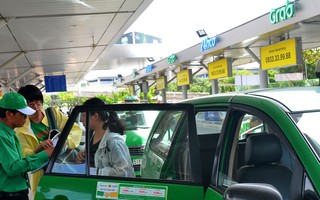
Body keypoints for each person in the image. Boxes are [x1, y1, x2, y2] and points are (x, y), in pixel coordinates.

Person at [15, 85, 82, 196]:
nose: (36, 108)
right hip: (41, 174)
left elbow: (75, 130)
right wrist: (39, 148)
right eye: (31, 105)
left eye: (38, 103)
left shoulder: (54, 115)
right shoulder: (20, 128)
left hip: (65, 168)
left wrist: (63, 142)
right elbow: (24, 154)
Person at [0, 92, 54, 200]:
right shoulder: (2, 136)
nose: (26, 118)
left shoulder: (9, 133)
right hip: (10, 195)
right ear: (9, 114)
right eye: (23, 115)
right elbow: (13, 168)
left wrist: (39, 149)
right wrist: (45, 154)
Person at [76, 97, 134, 177]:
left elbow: (123, 172)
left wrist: (96, 172)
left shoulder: (114, 142)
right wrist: (82, 153)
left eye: (84, 115)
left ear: (96, 116)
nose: (82, 120)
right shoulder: (92, 134)